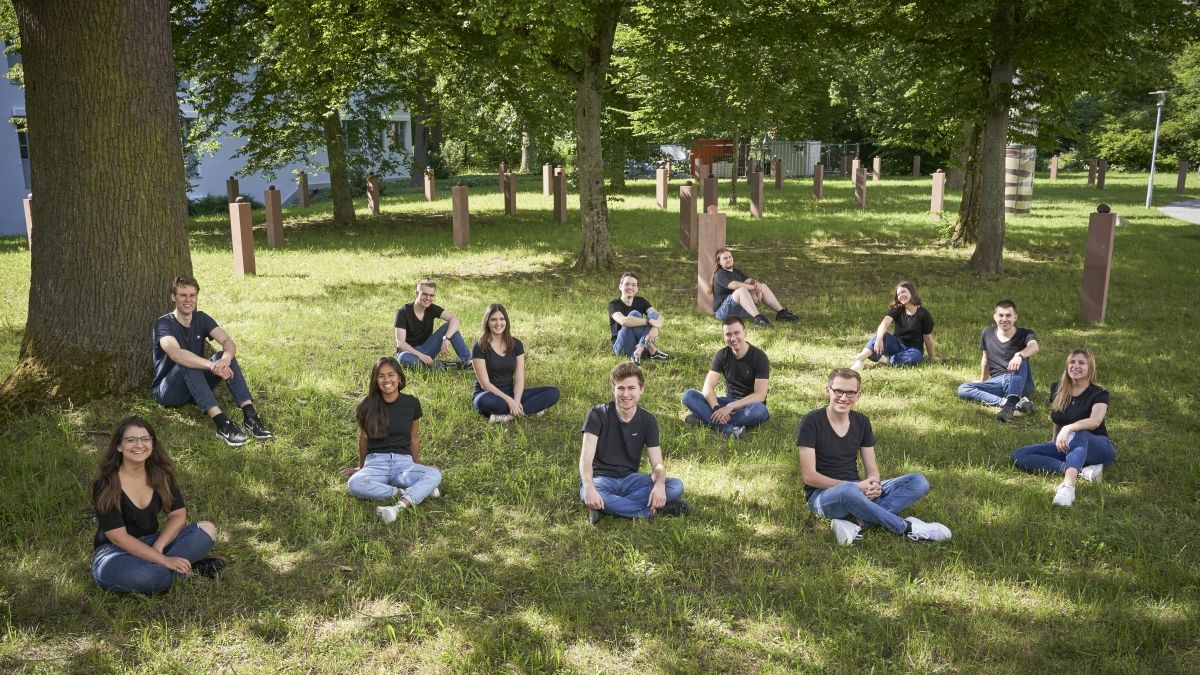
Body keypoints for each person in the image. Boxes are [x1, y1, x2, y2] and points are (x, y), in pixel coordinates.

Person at [798, 369, 952, 545]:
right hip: (822, 497)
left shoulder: (862, 422)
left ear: (858, 395)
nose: (843, 397)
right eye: (838, 391)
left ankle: (856, 524)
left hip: (858, 490)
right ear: (828, 391)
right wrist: (857, 486)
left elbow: (872, 468)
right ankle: (907, 527)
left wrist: (874, 484)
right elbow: (809, 477)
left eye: (850, 392)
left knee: (918, 481)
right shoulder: (811, 422)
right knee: (848, 491)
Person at [90, 416, 228, 593]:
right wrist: (164, 560)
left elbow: (178, 516)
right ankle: (183, 569)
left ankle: (169, 571)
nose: (139, 445)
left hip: (152, 541)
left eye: (145, 439)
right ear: (119, 446)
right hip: (115, 553)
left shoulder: (160, 474)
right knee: (148, 576)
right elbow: (119, 538)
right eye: (131, 440)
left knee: (207, 530)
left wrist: (158, 547)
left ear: (152, 444)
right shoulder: (105, 483)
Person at [151, 275, 272, 447]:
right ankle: (222, 424)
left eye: (192, 295)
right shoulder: (164, 323)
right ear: (173, 297)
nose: (188, 300)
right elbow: (176, 354)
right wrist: (211, 365)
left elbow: (227, 342)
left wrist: (225, 359)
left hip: (194, 388)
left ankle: (250, 416)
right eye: (183, 295)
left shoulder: (201, 318)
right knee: (187, 361)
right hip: (168, 392)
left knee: (223, 356)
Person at [578, 362, 688, 523]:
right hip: (600, 480)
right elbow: (585, 459)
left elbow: (657, 464)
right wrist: (588, 487)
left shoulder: (648, 420)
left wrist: (659, 484)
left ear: (641, 389)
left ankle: (605, 507)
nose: (625, 394)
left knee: (676, 486)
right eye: (620, 388)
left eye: (631, 388)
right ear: (613, 389)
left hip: (631, 480)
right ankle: (650, 511)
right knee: (587, 493)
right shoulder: (598, 414)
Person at [1011, 349, 1115, 507]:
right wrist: (1054, 440)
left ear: (1090, 368)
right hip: (1069, 446)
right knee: (1019, 455)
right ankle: (1078, 470)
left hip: (1098, 447)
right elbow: (1058, 418)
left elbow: (1095, 421)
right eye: (1072, 362)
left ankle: (1068, 487)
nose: (1075, 366)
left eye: (1081, 363)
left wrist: (1069, 429)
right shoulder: (1058, 388)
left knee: (1080, 432)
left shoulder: (1099, 392)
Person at [346, 356, 443, 523]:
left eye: (391, 375)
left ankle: (399, 506)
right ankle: (403, 492)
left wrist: (416, 465)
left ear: (399, 377)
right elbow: (364, 438)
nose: (387, 380)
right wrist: (360, 467)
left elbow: (414, 438)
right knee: (354, 484)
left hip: (403, 464)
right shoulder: (366, 405)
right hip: (376, 463)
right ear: (375, 381)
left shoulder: (411, 403)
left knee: (434, 474)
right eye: (381, 376)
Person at [681, 316, 769, 439]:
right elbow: (708, 387)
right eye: (728, 334)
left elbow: (760, 395)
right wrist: (717, 408)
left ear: (745, 332)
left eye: (737, 333)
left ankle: (704, 420)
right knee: (688, 395)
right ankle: (727, 428)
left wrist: (730, 407)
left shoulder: (759, 357)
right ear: (724, 336)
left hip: (749, 406)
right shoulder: (721, 355)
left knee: (760, 411)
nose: (733, 338)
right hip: (727, 401)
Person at [471, 303, 561, 423]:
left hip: (511, 392)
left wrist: (516, 400)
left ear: (506, 321)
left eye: (502, 319)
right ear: (487, 322)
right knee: (484, 402)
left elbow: (519, 378)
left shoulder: (516, 345)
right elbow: (485, 384)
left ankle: (509, 417)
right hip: (488, 394)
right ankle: (530, 409)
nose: (499, 323)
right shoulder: (479, 347)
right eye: (493, 319)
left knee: (553, 393)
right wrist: (510, 401)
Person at [957, 299, 1040, 422]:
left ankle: (1009, 406)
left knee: (1022, 359)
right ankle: (1011, 403)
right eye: (1001, 315)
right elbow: (985, 358)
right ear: (995, 317)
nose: (1004, 319)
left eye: (1008, 315)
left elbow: (1034, 346)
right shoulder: (987, 333)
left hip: (1020, 380)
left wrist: (1020, 355)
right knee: (963, 389)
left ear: (1015, 317)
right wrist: (983, 380)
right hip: (998, 382)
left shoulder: (1025, 333)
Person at [850, 281, 936, 370]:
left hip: (913, 349)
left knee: (915, 357)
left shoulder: (924, 314)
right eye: (898, 294)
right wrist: (879, 338)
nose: (900, 295)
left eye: (903, 292)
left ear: (912, 292)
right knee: (882, 335)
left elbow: (928, 338)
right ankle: (859, 361)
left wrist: (932, 358)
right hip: (896, 345)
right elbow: (884, 323)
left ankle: (883, 359)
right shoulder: (897, 309)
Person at [710, 247, 799, 328]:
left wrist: (757, 284)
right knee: (741, 290)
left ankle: (781, 313)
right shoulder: (720, 274)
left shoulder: (737, 271)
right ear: (719, 262)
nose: (728, 259)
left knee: (762, 286)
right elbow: (735, 285)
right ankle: (758, 319)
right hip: (723, 313)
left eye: (730, 257)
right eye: (725, 258)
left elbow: (750, 281)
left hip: (741, 311)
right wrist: (754, 288)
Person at [394, 279, 471, 370]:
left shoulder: (431, 308)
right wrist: (420, 355)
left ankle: (469, 362)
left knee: (448, 327)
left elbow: (455, 319)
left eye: (431, 295)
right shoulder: (403, 312)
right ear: (417, 293)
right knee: (402, 359)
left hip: (428, 349)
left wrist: (446, 338)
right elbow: (401, 343)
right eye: (424, 294)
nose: (428, 298)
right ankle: (441, 366)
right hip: (409, 352)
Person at [608, 272, 669, 364]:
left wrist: (655, 328)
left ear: (637, 289)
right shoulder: (613, 304)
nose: (630, 287)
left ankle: (639, 352)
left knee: (653, 314)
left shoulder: (641, 301)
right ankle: (651, 350)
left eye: (633, 285)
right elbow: (624, 321)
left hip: (640, 349)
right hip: (622, 348)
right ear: (620, 286)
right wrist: (649, 321)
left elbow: (659, 316)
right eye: (627, 284)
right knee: (634, 314)